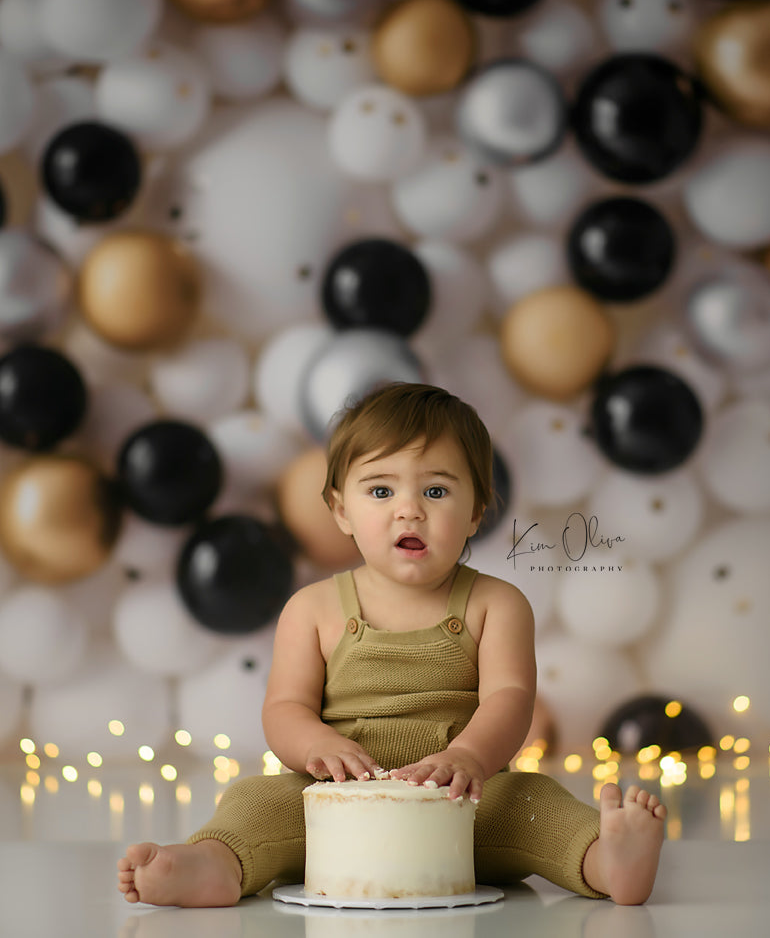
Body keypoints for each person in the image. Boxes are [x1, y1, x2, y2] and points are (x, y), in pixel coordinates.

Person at [118, 382, 666, 906]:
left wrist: (468, 757)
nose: (410, 509)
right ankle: (214, 865)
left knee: (534, 804)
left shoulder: (495, 604)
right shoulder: (312, 609)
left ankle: (608, 859)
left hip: (462, 802)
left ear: (477, 509)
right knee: (255, 802)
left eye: (436, 490)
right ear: (340, 510)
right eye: (381, 490)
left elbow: (511, 698)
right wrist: (315, 747)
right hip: (340, 807)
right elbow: (284, 708)